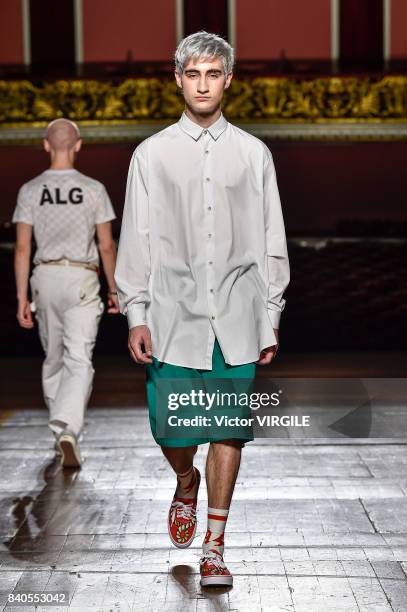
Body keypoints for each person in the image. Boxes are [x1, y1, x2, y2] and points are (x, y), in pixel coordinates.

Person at [114, 31, 290, 587]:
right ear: (178, 79)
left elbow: (271, 239)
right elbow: (136, 238)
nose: (203, 84)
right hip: (172, 315)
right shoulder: (152, 154)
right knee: (174, 430)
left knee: (228, 429)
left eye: (213, 74)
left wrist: (272, 312)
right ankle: (184, 480)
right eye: (193, 74)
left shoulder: (254, 154)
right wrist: (136, 311)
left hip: (238, 313)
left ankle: (215, 546)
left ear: (228, 79)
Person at [13, 118, 119, 469]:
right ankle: (68, 427)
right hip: (82, 279)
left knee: (54, 359)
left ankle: (63, 430)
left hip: (44, 278)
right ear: (78, 145)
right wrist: (115, 289)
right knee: (79, 359)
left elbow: (22, 248)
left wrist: (19, 298)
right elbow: (105, 245)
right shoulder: (93, 189)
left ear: (46, 145)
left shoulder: (30, 190)